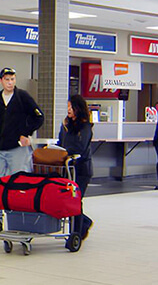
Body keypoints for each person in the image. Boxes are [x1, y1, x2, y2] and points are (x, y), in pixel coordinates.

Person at [0, 67, 44, 236]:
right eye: (7, 79)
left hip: (17, 149)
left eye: (12, 79)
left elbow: (39, 117)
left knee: (18, 185)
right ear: (1, 80)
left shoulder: (22, 96)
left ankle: (20, 218)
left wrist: (27, 134)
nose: (10, 82)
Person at [58, 95, 94, 243]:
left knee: (75, 200)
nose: (68, 110)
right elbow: (61, 142)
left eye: (71, 107)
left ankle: (76, 233)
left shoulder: (85, 127)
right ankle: (84, 223)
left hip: (81, 169)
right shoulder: (66, 125)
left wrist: (67, 151)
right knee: (67, 200)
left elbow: (81, 147)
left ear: (78, 108)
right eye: (67, 107)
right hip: (67, 168)